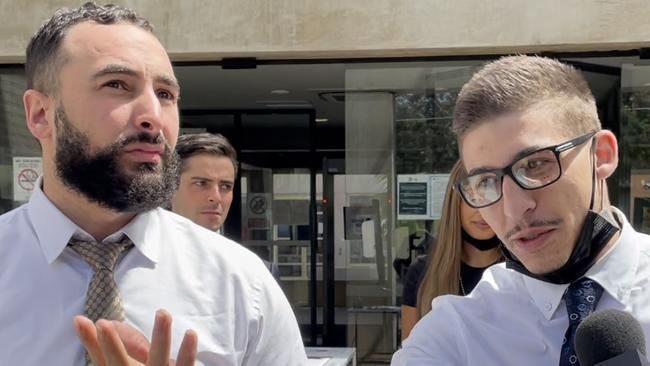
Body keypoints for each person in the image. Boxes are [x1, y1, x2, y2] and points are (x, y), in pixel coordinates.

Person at [0, 3, 306, 365]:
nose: (153, 117)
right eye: (116, 85)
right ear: (40, 114)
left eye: (165, 94)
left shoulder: (240, 282)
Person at [392, 55, 650, 365]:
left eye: (536, 164)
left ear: (602, 155)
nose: (514, 209)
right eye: (486, 182)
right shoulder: (458, 330)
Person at [400, 160, 502, 340]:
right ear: (455, 203)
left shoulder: (527, 272)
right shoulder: (423, 273)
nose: (482, 211)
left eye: (492, 198)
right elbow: (411, 355)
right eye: (473, 198)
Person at [171, 132, 281, 279]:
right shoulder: (135, 264)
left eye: (225, 186)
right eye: (201, 183)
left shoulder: (258, 273)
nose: (216, 197)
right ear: (169, 187)